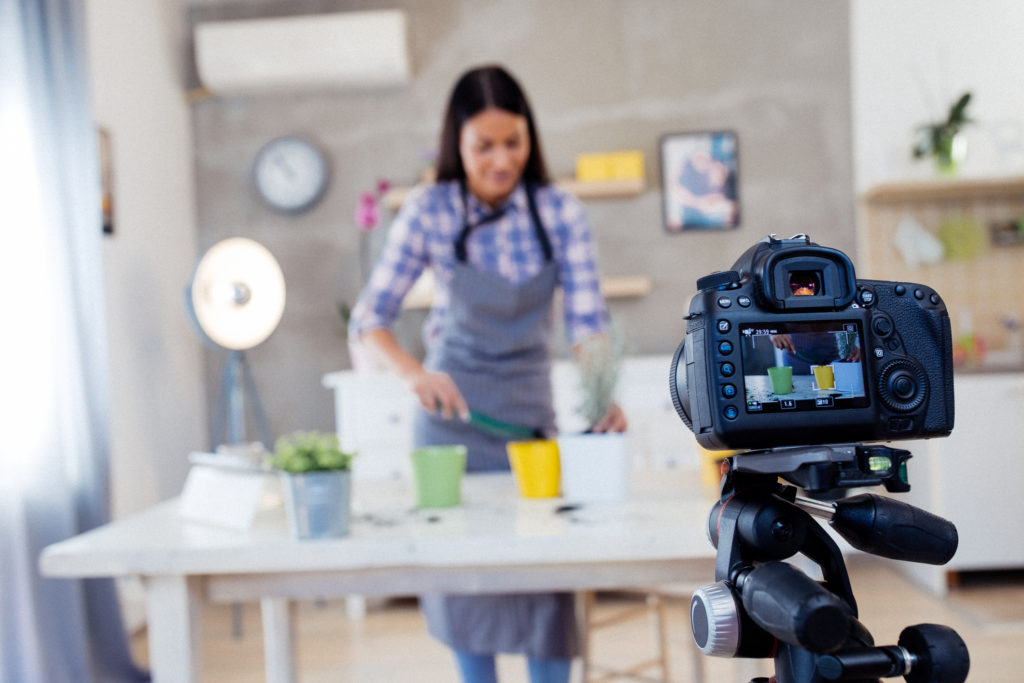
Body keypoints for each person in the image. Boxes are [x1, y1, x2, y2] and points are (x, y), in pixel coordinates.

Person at [348, 64, 627, 683]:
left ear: (531, 139)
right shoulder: (429, 210)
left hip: (529, 420)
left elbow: (587, 320)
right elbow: (370, 318)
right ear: (457, 144)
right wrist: (414, 374)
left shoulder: (560, 211)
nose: (501, 160)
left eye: (514, 143)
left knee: (544, 589)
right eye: (484, 147)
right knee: (465, 588)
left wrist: (601, 393)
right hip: (450, 425)